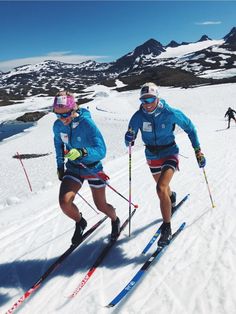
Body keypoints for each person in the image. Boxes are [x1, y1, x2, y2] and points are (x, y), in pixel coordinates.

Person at [124, 82, 206, 247]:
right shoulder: (138, 116)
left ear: (157, 98)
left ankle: (166, 228)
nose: (147, 104)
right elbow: (130, 137)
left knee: (160, 188)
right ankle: (172, 196)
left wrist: (198, 151)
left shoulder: (170, 113)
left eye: (150, 99)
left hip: (169, 152)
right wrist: (128, 138)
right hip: (151, 155)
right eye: (144, 100)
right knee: (164, 189)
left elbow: (190, 128)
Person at [53, 91, 120, 245]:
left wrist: (83, 152)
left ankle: (115, 219)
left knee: (101, 205)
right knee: (64, 202)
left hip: (92, 168)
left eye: (66, 114)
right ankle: (80, 221)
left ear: (74, 109)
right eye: (58, 115)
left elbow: (101, 150)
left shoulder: (87, 124)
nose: (62, 119)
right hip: (73, 168)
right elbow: (58, 144)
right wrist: (59, 165)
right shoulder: (57, 126)